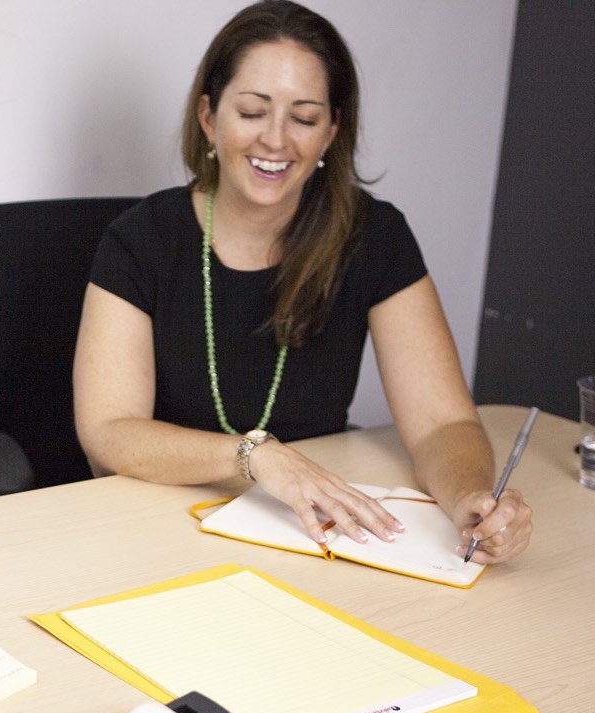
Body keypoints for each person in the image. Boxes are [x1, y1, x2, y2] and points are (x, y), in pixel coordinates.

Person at [73, 0, 532, 564]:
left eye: (305, 118)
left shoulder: (374, 236)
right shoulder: (140, 241)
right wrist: (256, 456)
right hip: (160, 527)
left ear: (332, 132)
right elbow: (110, 432)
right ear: (209, 118)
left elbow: (444, 422)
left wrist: (469, 499)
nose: (276, 140)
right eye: (252, 111)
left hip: (308, 536)